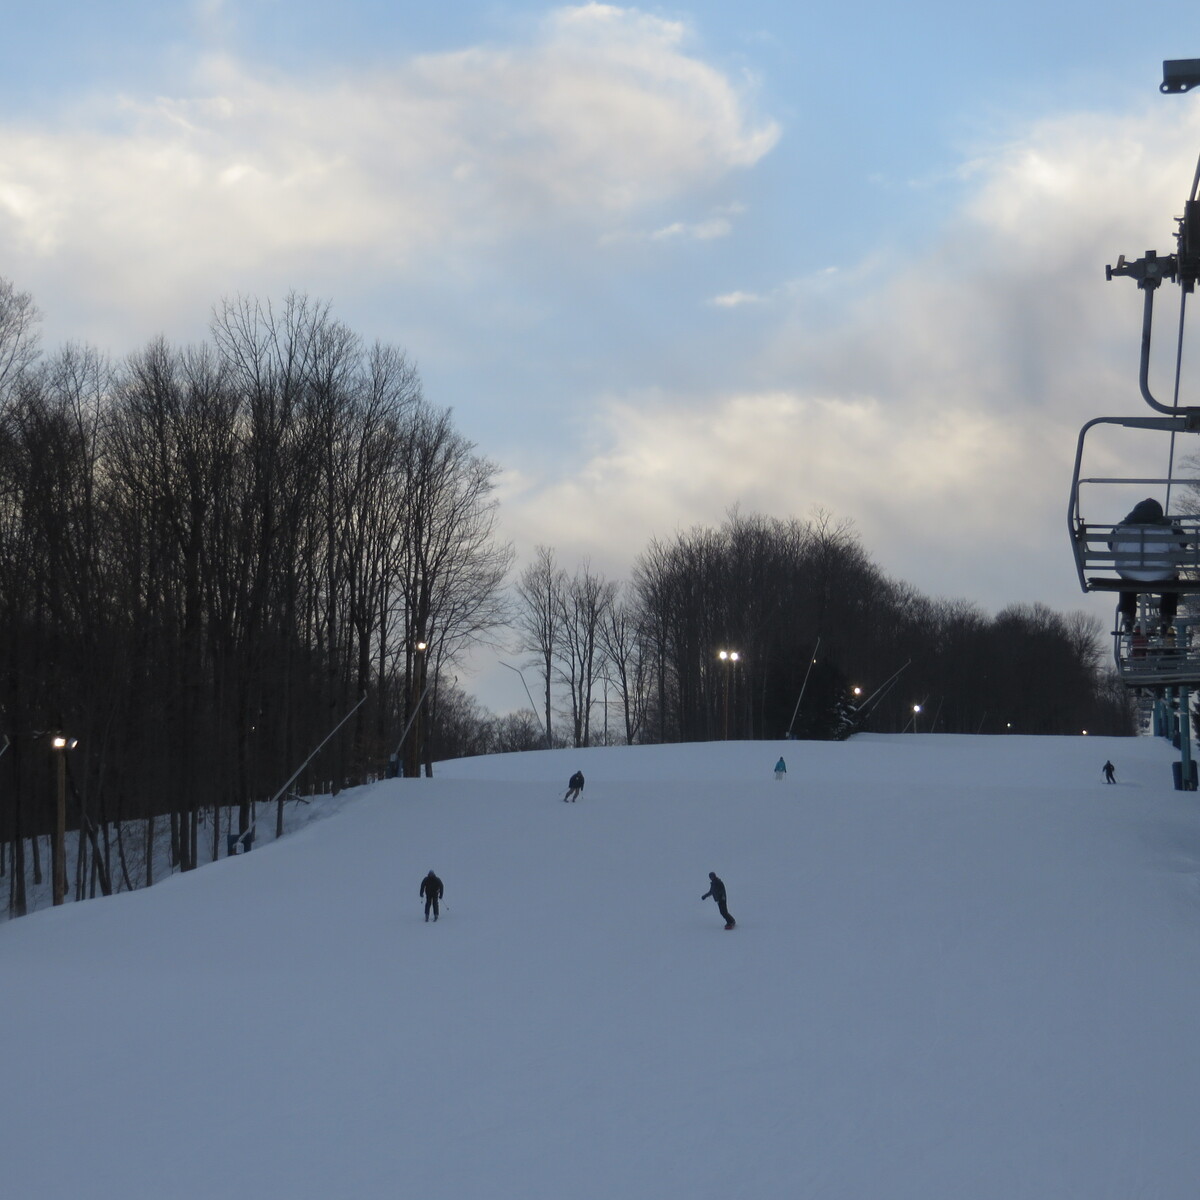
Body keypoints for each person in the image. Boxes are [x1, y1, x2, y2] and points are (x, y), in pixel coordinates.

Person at [1109, 498, 1188, 633]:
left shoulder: (1122, 527)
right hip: (1161, 575)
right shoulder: (1169, 527)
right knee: (1172, 579)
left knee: (1127, 577)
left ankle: (1128, 614)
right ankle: (1166, 615)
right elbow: (1181, 545)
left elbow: (1112, 546)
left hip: (1130, 575)